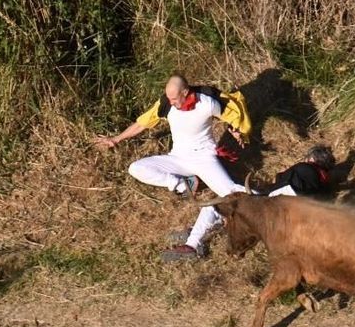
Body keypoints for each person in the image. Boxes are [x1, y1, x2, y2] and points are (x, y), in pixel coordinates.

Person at [162, 145, 336, 262]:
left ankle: (192, 244)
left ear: (312, 159)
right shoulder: (324, 186)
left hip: (270, 204)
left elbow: (283, 186)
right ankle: (198, 233)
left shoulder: (304, 169)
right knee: (225, 207)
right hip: (280, 214)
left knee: (221, 201)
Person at [93, 74, 251, 196]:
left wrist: (238, 131)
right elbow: (142, 123)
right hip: (178, 158)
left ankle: (269, 197)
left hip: (203, 158)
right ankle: (185, 185)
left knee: (230, 193)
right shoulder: (166, 104)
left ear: (185, 92)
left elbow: (233, 113)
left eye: (174, 98)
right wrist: (115, 139)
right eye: (169, 98)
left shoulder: (207, 102)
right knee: (136, 168)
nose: (171, 102)